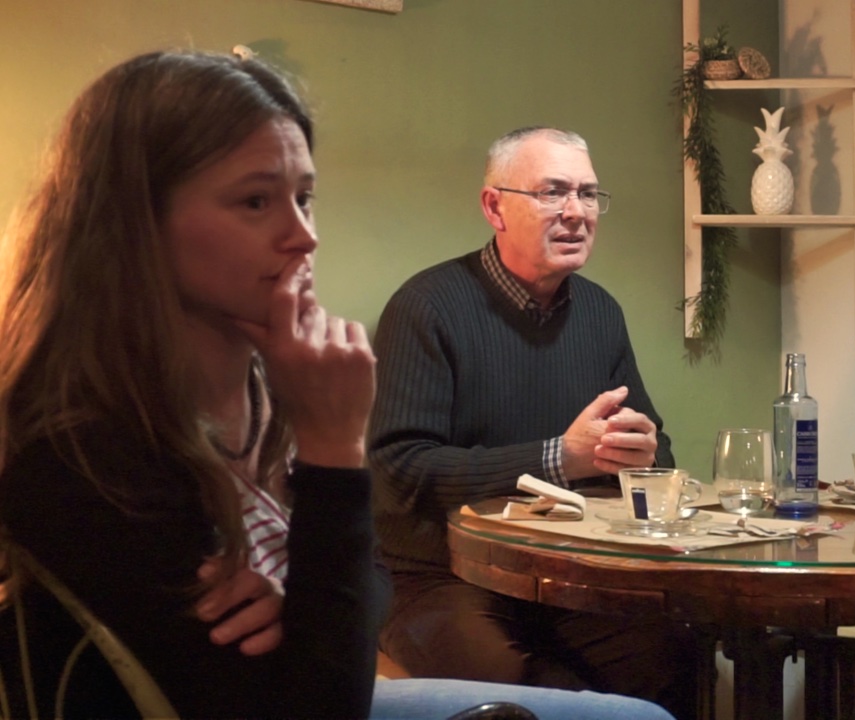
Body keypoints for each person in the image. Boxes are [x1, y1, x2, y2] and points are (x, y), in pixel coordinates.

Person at [0, 50, 674, 720]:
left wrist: (307, 589)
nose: (303, 236)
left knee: (657, 673)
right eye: (257, 200)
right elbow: (326, 678)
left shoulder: (257, 384)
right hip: (377, 634)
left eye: (304, 197)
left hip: (367, 645)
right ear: (133, 218)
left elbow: (353, 583)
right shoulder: (81, 446)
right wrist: (333, 447)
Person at [368, 127, 697, 718]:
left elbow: (658, 452)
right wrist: (557, 457)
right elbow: (399, 471)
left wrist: (645, 455)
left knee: (672, 651)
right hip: (435, 577)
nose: (577, 212)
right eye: (553, 192)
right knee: (520, 684)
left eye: (589, 194)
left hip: (563, 576)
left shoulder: (599, 312)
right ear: (495, 206)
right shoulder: (427, 305)